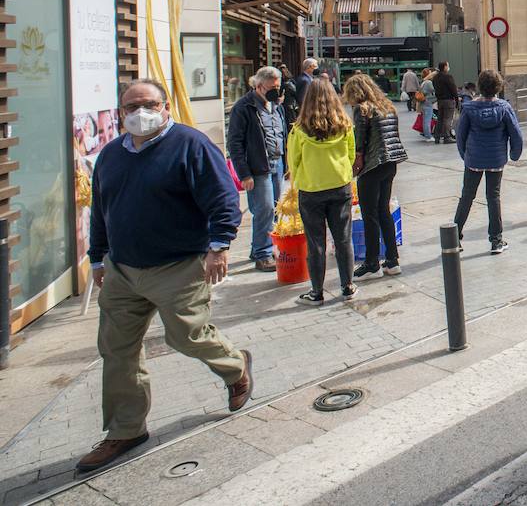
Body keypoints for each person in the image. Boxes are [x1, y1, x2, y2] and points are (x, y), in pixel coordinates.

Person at [79, 79, 252, 473]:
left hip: (179, 265)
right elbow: (101, 210)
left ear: (166, 106)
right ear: (121, 113)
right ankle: (126, 428)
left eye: (149, 104)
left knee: (187, 335)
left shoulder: (190, 145)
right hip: (123, 269)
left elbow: (224, 197)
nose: (141, 113)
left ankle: (236, 366)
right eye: (131, 107)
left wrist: (219, 245)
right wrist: (98, 258)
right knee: (117, 349)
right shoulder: (110, 156)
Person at [287, 80, 357, 306]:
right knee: (343, 238)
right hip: (340, 186)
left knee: (315, 242)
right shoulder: (344, 124)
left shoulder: (299, 129)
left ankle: (317, 292)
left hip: (311, 189)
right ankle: (348, 286)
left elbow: (293, 161)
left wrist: (300, 180)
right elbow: (351, 154)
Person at [343, 74, 408, 280]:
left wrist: (356, 161)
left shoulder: (362, 109)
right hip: (390, 163)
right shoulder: (387, 106)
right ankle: (392, 260)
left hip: (373, 165)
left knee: (369, 214)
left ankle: (372, 263)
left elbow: (359, 142)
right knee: (383, 211)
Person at [226, 66, 287, 273]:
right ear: (259, 86)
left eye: (278, 87)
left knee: (276, 209)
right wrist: (244, 173)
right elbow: (234, 143)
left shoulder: (276, 105)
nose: (276, 91)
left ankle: (260, 248)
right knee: (265, 210)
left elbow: (281, 132)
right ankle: (262, 253)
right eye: (272, 87)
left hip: (276, 164)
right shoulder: (244, 107)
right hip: (257, 168)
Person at [454, 70, 524, 254]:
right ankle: (496, 240)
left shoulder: (469, 108)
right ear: (497, 87)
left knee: (467, 196)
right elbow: (515, 133)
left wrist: (465, 155)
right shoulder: (504, 108)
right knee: (493, 198)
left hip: (473, 159)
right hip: (496, 159)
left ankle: (454, 237)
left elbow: (460, 136)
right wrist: (514, 154)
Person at [432, 62, 460, 144]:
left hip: (440, 100)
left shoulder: (436, 77)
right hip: (448, 100)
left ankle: (437, 137)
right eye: (448, 65)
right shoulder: (448, 76)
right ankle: (447, 137)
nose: (448, 67)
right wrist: (457, 99)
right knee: (447, 119)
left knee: (440, 118)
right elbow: (453, 88)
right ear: (444, 67)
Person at [284, 57, 317, 125]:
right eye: (315, 66)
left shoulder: (306, 78)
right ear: (310, 67)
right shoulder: (305, 80)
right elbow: (303, 99)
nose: (317, 68)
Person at [418, 69, 437, 142]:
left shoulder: (423, 82)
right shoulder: (428, 82)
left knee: (425, 120)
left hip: (423, 103)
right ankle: (429, 136)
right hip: (428, 102)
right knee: (427, 120)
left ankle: (426, 134)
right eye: (430, 73)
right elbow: (434, 90)